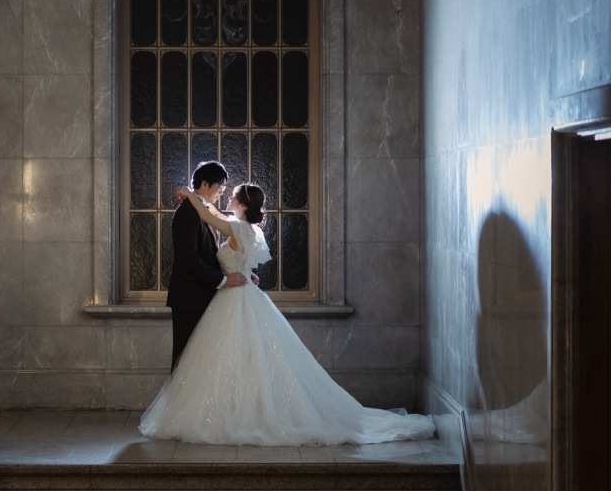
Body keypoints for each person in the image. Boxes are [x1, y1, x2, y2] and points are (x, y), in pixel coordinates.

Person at [141, 182, 435, 446]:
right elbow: (240, 258)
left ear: (242, 204)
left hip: (234, 298)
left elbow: (208, 217)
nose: (227, 198)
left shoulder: (240, 227)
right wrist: (244, 273)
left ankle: (244, 415)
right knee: (243, 357)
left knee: (241, 355)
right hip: (238, 292)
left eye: (232, 196)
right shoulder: (249, 229)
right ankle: (241, 410)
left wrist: (189, 194)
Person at [165, 160, 248, 371]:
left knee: (199, 363)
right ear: (205, 183)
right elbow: (189, 258)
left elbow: (209, 255)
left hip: (203, 296)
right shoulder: (188, 212)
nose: (222, 191)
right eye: (220, 186)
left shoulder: (200, 209)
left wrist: (238, 273)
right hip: (189, 299)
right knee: (185, 359)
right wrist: (223, 280)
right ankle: (178, 404)